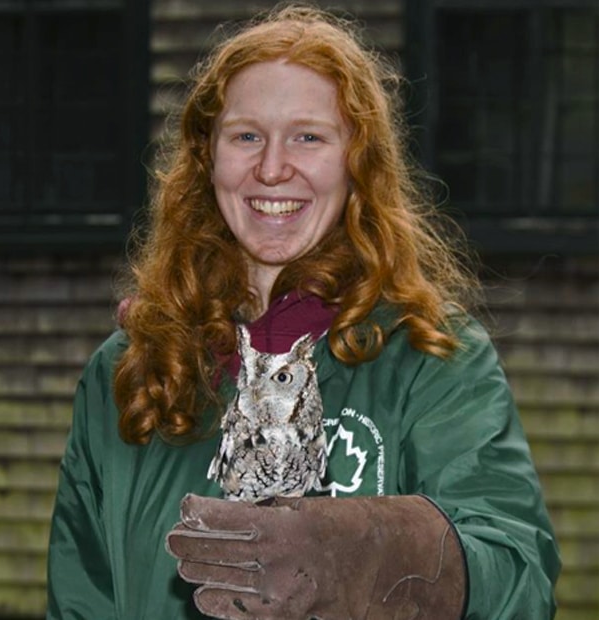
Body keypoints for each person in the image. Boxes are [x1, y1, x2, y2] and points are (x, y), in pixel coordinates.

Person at [46, 4, 561, 619]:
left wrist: (379, 552)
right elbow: (82, 599)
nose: (271, 167)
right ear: (207, 158)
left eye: (308, 136)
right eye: (246, 136)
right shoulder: (127, 372)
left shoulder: (430, 358)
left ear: (356, 162)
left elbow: (521, 582)